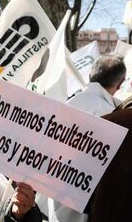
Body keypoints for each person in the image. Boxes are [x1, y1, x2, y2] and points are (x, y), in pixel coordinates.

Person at [36, 54, 127, 222]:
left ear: (91, 76)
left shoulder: (66, 104)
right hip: (80, 207)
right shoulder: (110, 116)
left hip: (50, 199)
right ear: (120, 84)